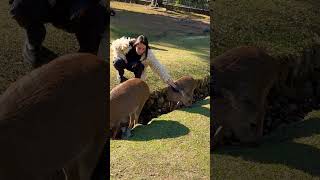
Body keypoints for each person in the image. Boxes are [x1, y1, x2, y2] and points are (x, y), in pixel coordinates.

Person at [9, 0, 109, 68]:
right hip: (47, 4)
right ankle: (34, 44)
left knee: (94, 13)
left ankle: (87, 58)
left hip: (74, 5)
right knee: (19, 6)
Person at [111, 35, 178, 89]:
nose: (141, 51)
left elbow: (158, 67)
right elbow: (116, 46)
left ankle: (137, 83)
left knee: (139, 66)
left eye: (143, 49)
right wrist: (122, 57)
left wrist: (170, 81)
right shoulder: (127, 45)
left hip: (135, 66)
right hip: (125, 62)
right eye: (139, 48)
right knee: (117, 62)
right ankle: (121, 77)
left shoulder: (148, 54)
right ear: (135, 45)